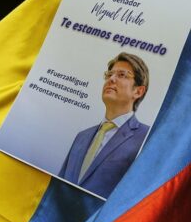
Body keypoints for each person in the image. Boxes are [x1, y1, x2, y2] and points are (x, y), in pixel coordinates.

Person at [59, 52, 150, 198]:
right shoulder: (82, 136)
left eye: (122, 75)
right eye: (109, 75)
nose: (111, 79)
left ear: (138, 91)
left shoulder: (147, 138)